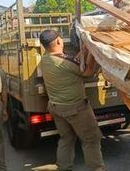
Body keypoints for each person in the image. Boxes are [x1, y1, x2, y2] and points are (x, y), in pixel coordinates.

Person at [39, 29, 105, 171]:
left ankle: (63, 167)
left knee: (66, 139)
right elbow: (87, 72)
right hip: (75, 109)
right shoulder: (64, 62)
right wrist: (92, 52)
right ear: (58, 41)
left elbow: (73, 62)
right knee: (91, 139)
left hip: (57, 107)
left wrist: (84, 49)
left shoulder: (45, 59)